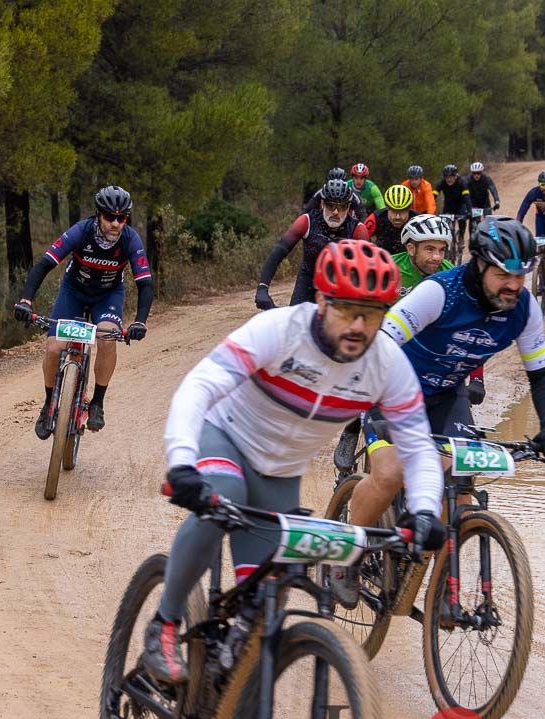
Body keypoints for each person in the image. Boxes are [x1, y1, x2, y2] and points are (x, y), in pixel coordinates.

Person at [144, 240, 446, 685]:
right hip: (225, 435)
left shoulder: (386, 364)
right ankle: (164, 624)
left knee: (265, 604)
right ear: (321, 301)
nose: (359, 327)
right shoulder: (279, 329)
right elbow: (201, 385)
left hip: (281, 472)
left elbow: (418, 446)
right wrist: (183, 463)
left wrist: (422, 510)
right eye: (346, 309)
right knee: (220, 498)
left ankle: (220, 715)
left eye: (373, 312)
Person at [345, 215, 545, 532]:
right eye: (504, 274)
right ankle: (347, 555)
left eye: (521, 275)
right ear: (478, 265)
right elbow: (380, 343)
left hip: (448, 395)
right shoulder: (439, 292)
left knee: (460, 489)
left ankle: (438, 576)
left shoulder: (525, 307)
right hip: (392, 389)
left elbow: (542, 374)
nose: (514, 285)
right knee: (391, 473)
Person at [13, 185, 152, 438]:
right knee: (54, 348)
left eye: (122, 218)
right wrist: (26, 301)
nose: (116, 224)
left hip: (108, 295)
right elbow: (44, 264)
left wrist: (140, 321)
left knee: (107, 339)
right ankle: (48, 404)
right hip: (73, 292)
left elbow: (145, 283)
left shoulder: (131, 239)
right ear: (99, 215)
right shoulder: (80, 231)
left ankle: (97, 402)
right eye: (110, 217)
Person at [256, 179, 370, 309]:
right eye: (331, 206)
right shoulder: (307, 221)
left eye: (342, 207)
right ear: (322, 204)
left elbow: (367, 269)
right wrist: (262, 288)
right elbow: (279, 251)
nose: (336, 212)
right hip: (309, 279)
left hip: (342, 284)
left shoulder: (357, 229)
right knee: (297, 322)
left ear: (349, 208)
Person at [393, 214, 456, 295]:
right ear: (411, 249)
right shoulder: (390, 268)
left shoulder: (450, 274)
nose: (437, 257)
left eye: (442, 250)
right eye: (430, 249)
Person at [363, 183, 418, 256]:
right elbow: (360, 240)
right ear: (387, 208)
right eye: (393, 211)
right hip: (382, 260)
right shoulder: (376, 218)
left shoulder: (418, 220)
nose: (398, 217)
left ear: (409, 209)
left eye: (402, 211)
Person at [433, 164, 472, 260]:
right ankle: (447, 244)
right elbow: (433, 196)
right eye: (447, 177)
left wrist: (469, 211)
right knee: (445, 226)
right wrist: (430, 210)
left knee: (462, 219)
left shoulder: (462, 183)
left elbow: (467, 198)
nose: (449, 180)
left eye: (451, 177)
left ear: (455, 176)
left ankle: (461, 237)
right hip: (448, 207)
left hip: (460, 206)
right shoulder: (442, 183)